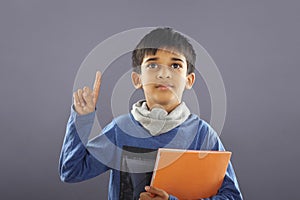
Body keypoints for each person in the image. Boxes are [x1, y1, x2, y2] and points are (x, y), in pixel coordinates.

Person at [59, 27, 243, 200]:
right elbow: (71, 171)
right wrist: (81, 118)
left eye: (176, 65)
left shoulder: (202, 134)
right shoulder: (120, 130)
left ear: (189, 80)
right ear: (137, 79)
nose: (164, 73)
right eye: (153, 65)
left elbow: (232, 196)